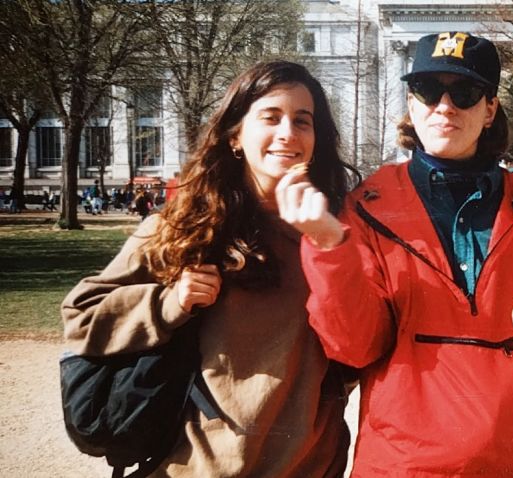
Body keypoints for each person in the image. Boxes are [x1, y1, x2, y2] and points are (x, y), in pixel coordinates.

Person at [276, 31, 513, 476]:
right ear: (411, 105)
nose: (444, 106)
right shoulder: (367, 207)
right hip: (408, 465)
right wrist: (328, 247)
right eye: (428, 91)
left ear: (489, 111)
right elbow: (354, 347)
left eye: (464, 93)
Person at [61, 60, 358, 477]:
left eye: (302, 121)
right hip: (194, 467)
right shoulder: (187, 226)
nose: (288, 133)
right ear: (236, 135)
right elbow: (80, 315)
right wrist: (169, 302)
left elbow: (365, 349)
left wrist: (334, 248)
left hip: (308, 466)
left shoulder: (340, 234)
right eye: (271, 118)